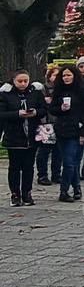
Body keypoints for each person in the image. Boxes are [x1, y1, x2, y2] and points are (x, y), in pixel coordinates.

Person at [0, 70, 46, 206]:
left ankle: (27, 193)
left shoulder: (35, 93)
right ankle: (15, 194)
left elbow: (44, 109)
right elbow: (2, 114)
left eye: (25, 81)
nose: (23, 84)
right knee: (14, 167)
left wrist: (35, 113)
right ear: (13, 80)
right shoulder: (6, 95)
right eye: (20, 81)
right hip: (14, 135)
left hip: (31, 135)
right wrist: (18, 114)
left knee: (29, 167)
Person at [48, 66, 84, 202]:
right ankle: (77, 186)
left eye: (68, 75)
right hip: (62, 130)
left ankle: (64, 190)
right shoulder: (59, 90)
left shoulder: (83, 91)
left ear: (74, 76)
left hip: (76, 130)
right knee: (71, 162)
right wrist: (60, 108)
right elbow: (52, 109)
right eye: (63, 76)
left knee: (69, 161)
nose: (66, 78)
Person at [36, 67, 62, 187]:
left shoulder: (63, 90)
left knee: (58, 150)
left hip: (60, 123)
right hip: (45, 123)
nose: (56, 78)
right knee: (44, 150)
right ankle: (42, 175)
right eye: (54, 75)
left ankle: (56, 174)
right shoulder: (42, 90)